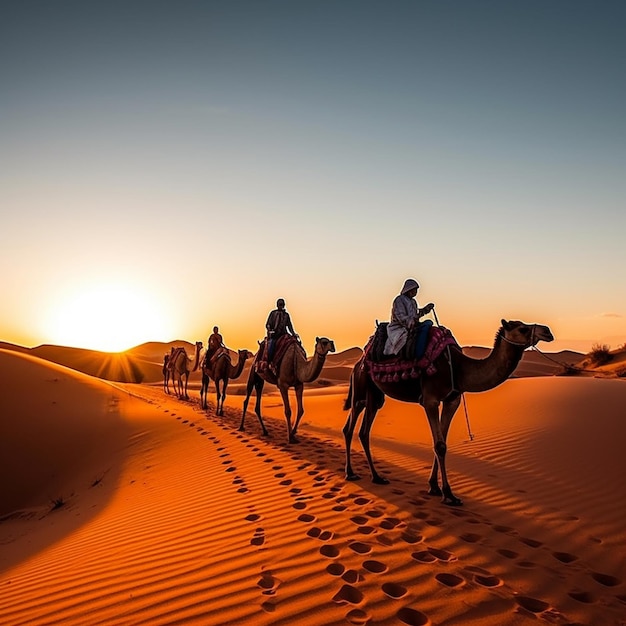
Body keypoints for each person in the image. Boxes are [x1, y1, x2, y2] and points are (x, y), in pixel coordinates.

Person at [383, 278, 434, 356]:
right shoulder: (399, 300)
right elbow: (400, 316)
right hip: (399, 327)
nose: (415, 292)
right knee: (425, 327)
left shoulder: (413, 302)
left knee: (428, 324)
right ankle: (418, 354)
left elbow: (415, 314)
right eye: (414, 290)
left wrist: (426, 309)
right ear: (409, 290)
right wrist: (412, 322)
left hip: (412, 325)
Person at [265, 298, 299, 367]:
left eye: (282, 304)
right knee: (271, 346)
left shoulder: (286, 315)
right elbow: (268, 324)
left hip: (284, 334)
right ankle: (269, 362)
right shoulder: (273, 313)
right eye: (280, 304)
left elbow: (289, 326)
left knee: (295, 343)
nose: (281, 306)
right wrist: (270, 330)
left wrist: (293, 334)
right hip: (275, 335)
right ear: (277, 305)